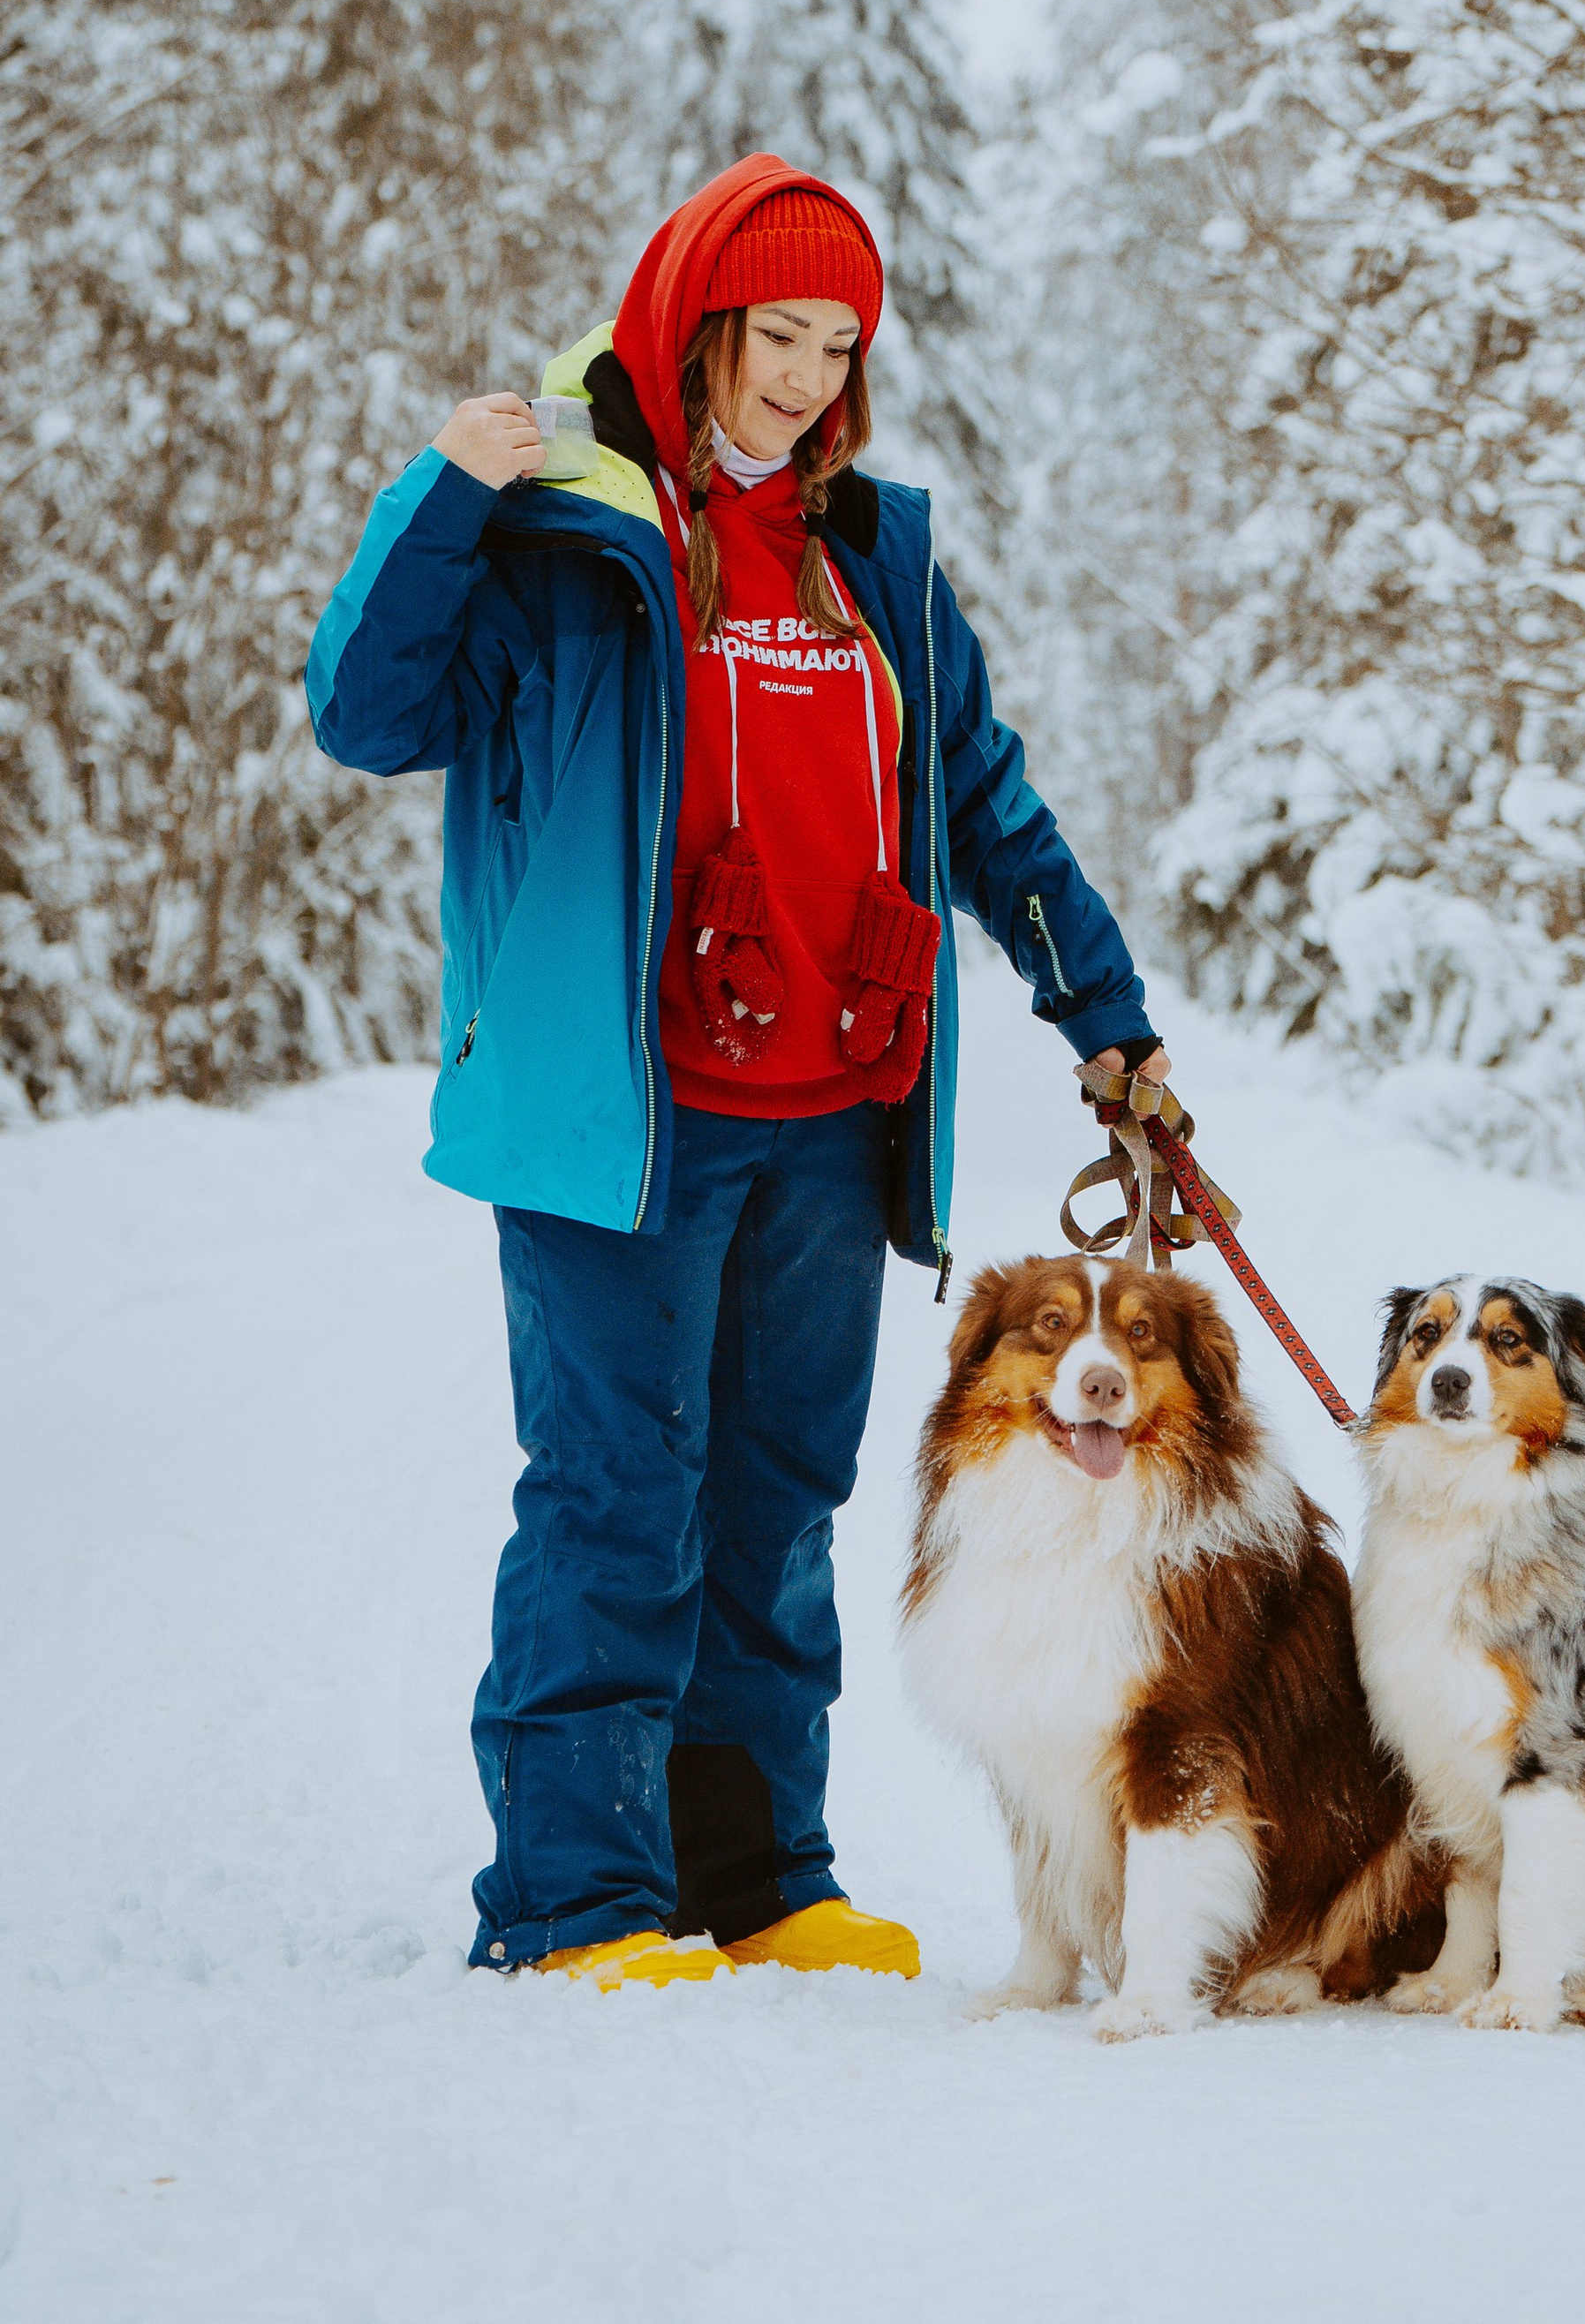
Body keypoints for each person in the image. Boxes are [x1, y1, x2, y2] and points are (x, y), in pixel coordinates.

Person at [306, 155, 1166, 1987]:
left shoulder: (874, 553)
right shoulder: (559, 530)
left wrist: (1106, 1014)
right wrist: (444, 492)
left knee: (776, 1508)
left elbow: (984, 807)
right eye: (776, 332)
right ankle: (571, 1897)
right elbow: (365, 715)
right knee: (618, 1491)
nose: (802, 374)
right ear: (695, 318)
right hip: (621, 1119)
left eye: (835, 341)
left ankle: (758, 1873)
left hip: (827, 1128)